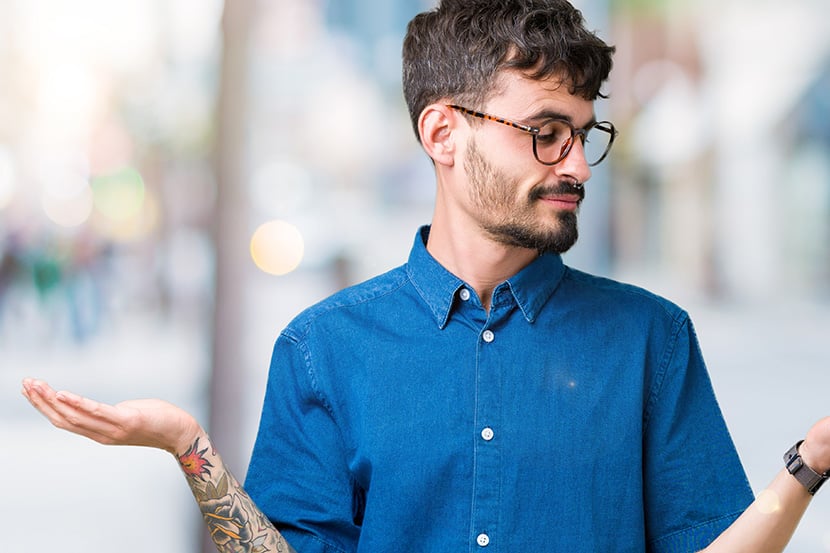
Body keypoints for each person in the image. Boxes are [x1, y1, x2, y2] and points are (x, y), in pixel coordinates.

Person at [20, 0, 830, 552]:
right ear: (443, 131)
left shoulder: (652, 339)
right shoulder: (321, 350)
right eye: (546, 131)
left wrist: (810, 463)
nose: (577, 164)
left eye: (585, 133)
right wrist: (188, 446)